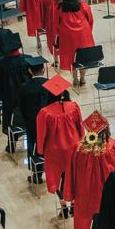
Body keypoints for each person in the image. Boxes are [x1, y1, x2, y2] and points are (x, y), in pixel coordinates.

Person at [36, 75, 82, 208]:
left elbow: (41, 134)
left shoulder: (44, 113)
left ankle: (62, 202)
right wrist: (81, 141)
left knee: (57, 176)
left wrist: (40, 150)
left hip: (54, 150)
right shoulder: (73, 107)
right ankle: (73, 201)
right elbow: (80, 126)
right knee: (73, 174)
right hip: (73, 147)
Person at [56, 0, 94, 84]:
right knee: (82, 56)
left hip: (67, 35)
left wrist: (59, 33)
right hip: (83, 34)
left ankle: (75, 79)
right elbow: (90, 18)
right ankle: (83, 78)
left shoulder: (61, 7)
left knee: (71, 56)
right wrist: (89, 30)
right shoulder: (82, 5)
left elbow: (57, 22)